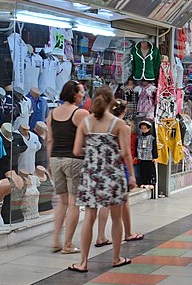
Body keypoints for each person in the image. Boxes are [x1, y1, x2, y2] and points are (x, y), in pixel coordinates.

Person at [68, 87, 133, 272]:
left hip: (91, 175)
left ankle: (82, 262)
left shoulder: (85, 123)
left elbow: (76, 151)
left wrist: (93, 152)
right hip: (113, 175)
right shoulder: (119, 125)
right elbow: (126, 153)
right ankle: (116, 257)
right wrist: (132, 175)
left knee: (89, 217)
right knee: (116, 217)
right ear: (112, 102)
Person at [94, 100, 144, 246]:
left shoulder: (102, 125)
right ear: (124, 111)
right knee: (124, 201)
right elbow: (126, 152)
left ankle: (100, 235)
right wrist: (132, 174)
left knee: (105, 202)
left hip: (104, 166)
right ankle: (128, 232)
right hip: (119, 166)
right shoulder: (124, 127)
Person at [48, 80, 89, 253]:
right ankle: (68, 244)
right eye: (81, 93)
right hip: (74, 160)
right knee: (73, 203)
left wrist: (49, 161)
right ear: (74, 94)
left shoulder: (52, 113)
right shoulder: (81, 114)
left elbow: (49, 139)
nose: (83, 95)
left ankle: (56, 240)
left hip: (56, 159)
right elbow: (89, 137)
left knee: (61, 202)